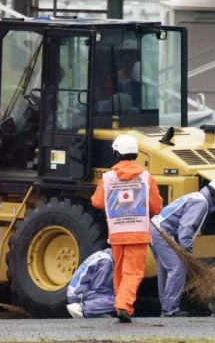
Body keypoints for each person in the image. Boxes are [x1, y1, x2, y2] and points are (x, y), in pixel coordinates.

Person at [91, 134, 162, 323]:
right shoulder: (147, 177)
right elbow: (156, 208)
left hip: (116, 233)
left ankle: (120, 304)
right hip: (138, 233)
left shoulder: (107, 177)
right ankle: (124, 305)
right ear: (136, 154)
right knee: (133, 272)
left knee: (120, 271)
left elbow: (97, 202)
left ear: (116, 153)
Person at [152, 179, 215, 317]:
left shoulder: (196, 196)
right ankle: (169, 309)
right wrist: (187, 251)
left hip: (155, 228)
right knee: (178, 268)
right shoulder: (201, 203)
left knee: (166, 269)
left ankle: (166, 306)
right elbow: (186, 227)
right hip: (161, 232)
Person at [67, 248, 115, 319]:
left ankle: (93, 313)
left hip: (76, 290)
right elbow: (97, 286)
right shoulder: (107, 262)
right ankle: (81, 308)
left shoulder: (105, 255)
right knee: (117, 301)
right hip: (78, 294)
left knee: (111, 296)